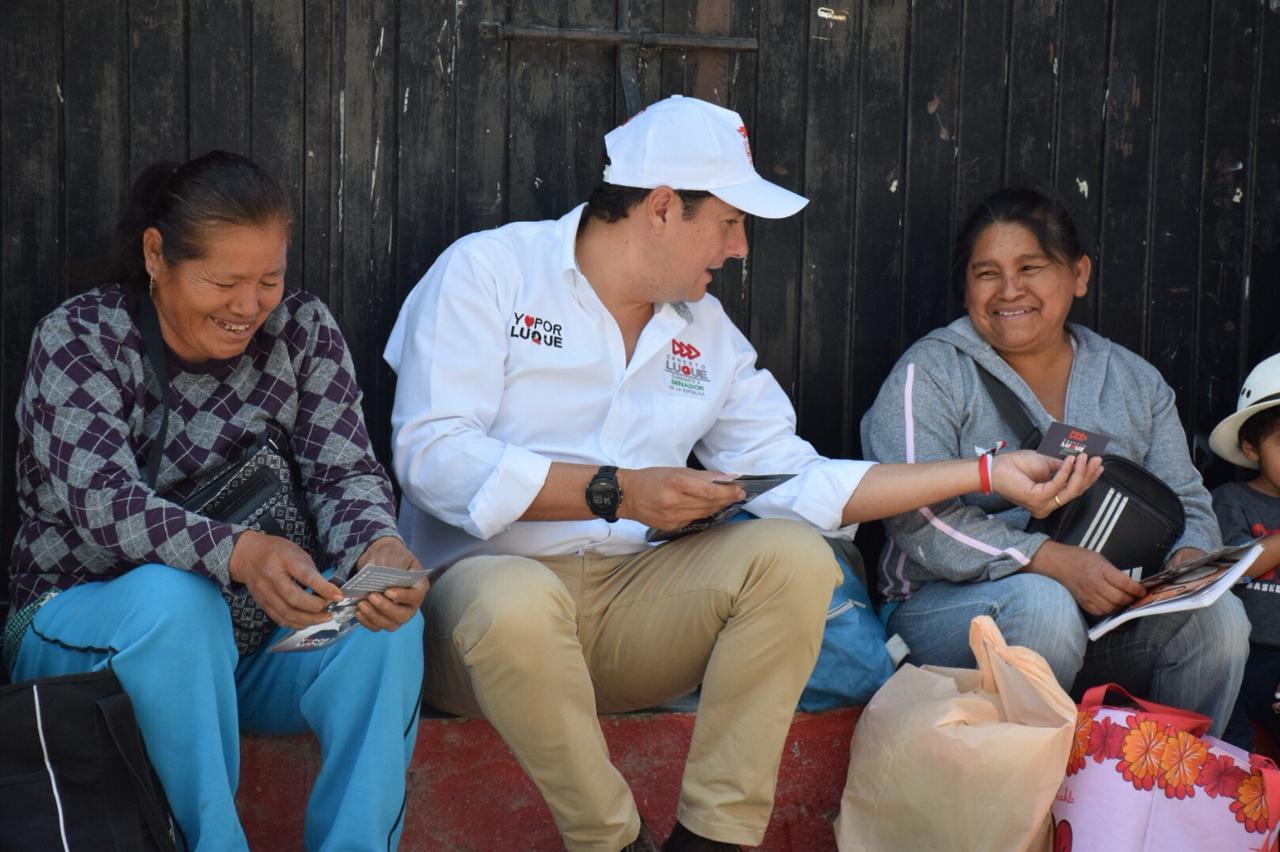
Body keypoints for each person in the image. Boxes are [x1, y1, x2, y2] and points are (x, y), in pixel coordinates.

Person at [384, 96, 1098, 852]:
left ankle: (716, 838)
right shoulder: (489, 271)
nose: (740, 247)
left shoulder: (705, 331)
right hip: (480, 620)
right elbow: (432, 459)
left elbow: (797, 480)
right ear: (661, 208)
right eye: (728, 221)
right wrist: (617, 490)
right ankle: (612, 840)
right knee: (512, 599)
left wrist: (987, 472)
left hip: (632, 615)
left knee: (793, 557)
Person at [2, 151, 428, 851]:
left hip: (247, 651)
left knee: (387, 629)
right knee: (179, 603)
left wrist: (376, 546)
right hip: (77, 637)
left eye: (268, 280)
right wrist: (238, 552)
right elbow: (103, 503)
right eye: (222, 281)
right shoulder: (80, 340)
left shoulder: (302, 332)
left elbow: (344, 473)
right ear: (155, 255)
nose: (247, 307)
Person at [861, 186, 1250, 736]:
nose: (1009, 290)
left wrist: (1187, 566)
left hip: (1105, 620)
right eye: (986, 272)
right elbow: (916, 519)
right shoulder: (932, 373)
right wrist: (1047, 559)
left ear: (1079, 274)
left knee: (1217, 621)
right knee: (1043, 605)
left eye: (1031, 267)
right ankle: (1025, 801)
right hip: (946, 615)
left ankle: (1164, 792)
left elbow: (1189, 501)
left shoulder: (1134, 382)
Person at [1209, 353, 1280, 749]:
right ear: (1251, 448)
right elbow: (1234, 567)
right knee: (1230, 753)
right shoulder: (1231, 501)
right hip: (1240, 655)